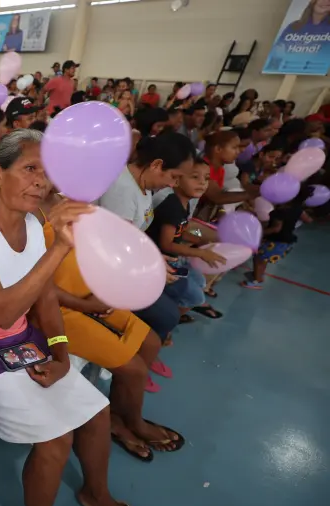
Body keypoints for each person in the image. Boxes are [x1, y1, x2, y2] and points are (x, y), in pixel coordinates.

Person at [0, 129, 156, 506]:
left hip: (20, 341)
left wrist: (60, 354)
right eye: (30, 169)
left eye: (47, 172)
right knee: (57, 440)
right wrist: (59, 248)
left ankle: (97, 495)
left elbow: (45, 298)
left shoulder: (33, 226)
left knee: (97, 412)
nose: (41, 181)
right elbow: (1, 312)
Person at [38, 186, 184, 462]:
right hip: (57, 310)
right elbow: (37, 285)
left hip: (91, 294)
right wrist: (86, 306)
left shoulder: (67, 201)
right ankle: (133, 424)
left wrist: (104, 286)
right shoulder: (28, 216)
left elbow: (97, 249)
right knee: (135, 370)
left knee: (151, 342)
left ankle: (119, 413)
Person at [98, 133, 195, 380]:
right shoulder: (122, 190)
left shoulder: (144, 185)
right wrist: (153, 266)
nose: (174, 184)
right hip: (107, 272)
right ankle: (132, 363)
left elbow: (133, 237)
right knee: (167, 315)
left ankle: (142, 355)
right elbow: (116, 248)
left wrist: (156, 259)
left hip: (126, 264)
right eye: (174, 177)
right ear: (157, 165)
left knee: (181, 290)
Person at [146, 159, 225, 322]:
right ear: (177, 181)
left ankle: (174, 310)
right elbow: (167, 244)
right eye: (195, 177)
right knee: (196, 298)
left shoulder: (184, 204)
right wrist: (200, 253)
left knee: (200, 282)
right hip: (163, 262)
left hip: (175, 259)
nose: (202, 182)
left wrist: (199, 238)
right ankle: (168, 320)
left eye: (206, 178)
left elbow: (181, 230)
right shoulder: (172, 206)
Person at [242, 185, 313, 290]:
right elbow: (308, 220)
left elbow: (276, 228)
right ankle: (258, 276)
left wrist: (260, 232)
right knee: (263, 259)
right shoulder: (298, 209)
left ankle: (256, 281)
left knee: (258, 259)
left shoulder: (279, 212)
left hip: (276, 241)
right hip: (287, 241)